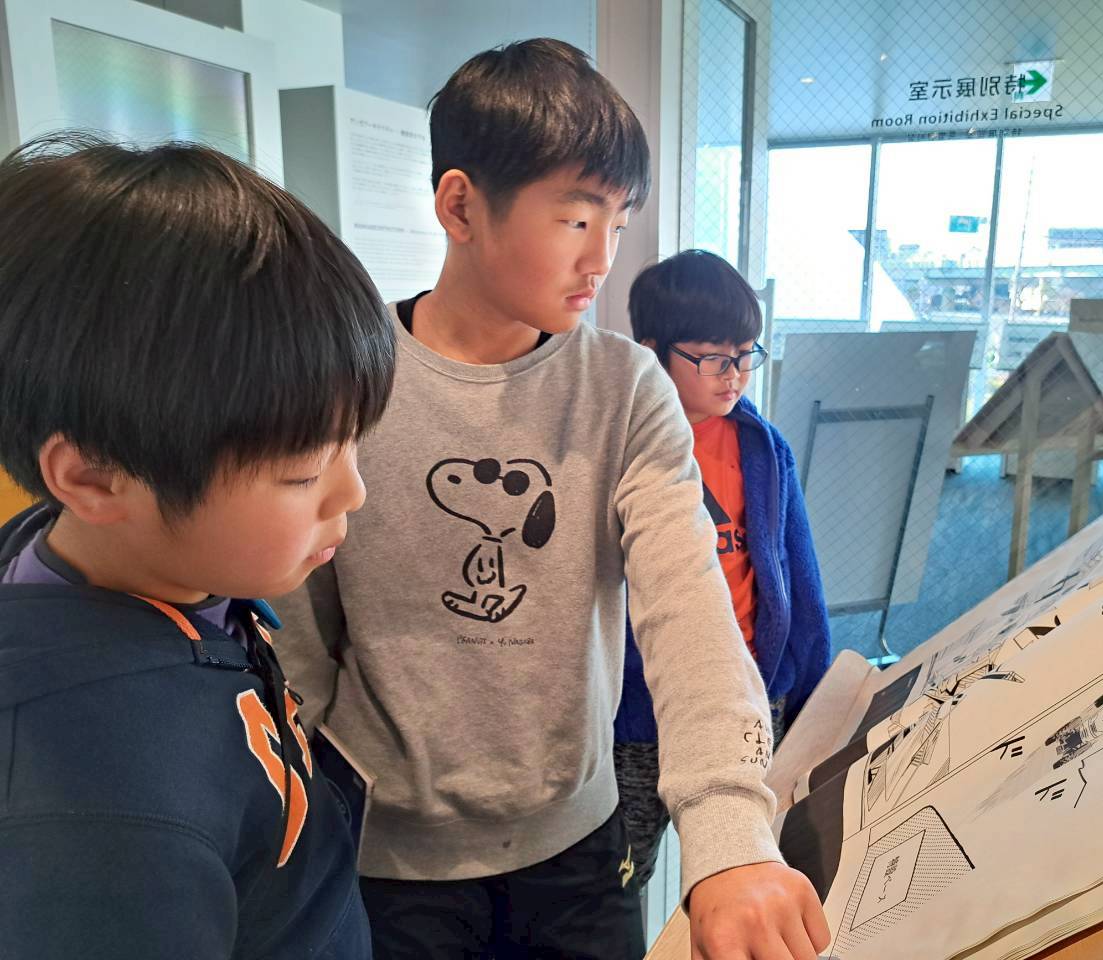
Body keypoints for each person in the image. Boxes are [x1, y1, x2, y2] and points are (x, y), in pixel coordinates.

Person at [271, 38, 830, 960]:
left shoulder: (626, 388)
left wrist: (730, 831)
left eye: (619, 219)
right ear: (460, 205)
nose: (603, 257)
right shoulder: (344, 377)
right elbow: (296, 619)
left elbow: (686, 603)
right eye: (576, 218)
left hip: (577, 851)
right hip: (386, 866)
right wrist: (327, 783)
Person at [0, 134, 398, 958]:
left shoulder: (171, 573)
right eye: (302, 472)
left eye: (352, 446)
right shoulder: (98, 820)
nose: (351, 493)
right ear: (97, 478)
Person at [615, 248, 834, 888]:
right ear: (653, 352)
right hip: (640, 713)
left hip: (751, 697)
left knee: (751, 867)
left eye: (745, 354)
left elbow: (799, 577)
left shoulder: (762, 446)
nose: (735, 375)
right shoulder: (618, 446)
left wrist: (812, 696)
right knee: (620, 876)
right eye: (714, 358)